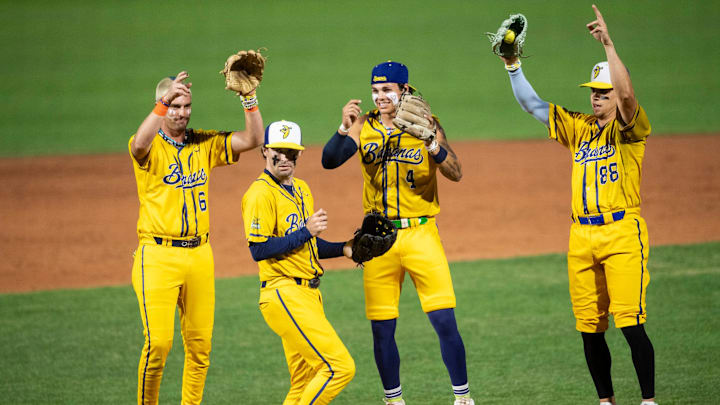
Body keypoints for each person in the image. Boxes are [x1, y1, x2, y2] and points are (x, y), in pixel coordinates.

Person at [496, 5, 656, 405]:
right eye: (594, 93)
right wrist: (512, 65)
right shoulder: (579, 128)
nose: (597, 99)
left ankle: (649, 400)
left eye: (603, 94)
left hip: (622, 233)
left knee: (631, 324)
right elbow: (534, 106)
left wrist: (609, 45)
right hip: (580, 236)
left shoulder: (630, 131)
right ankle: (606, 401)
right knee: (589, 327)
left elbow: (628, 94)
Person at [321, 62, 473, 405]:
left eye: (387, 90)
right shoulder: (364, 126)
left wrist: (432, 143)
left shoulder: (428, 124)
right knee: (381, 327)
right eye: (375, 91)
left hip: (422, 235)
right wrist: (344, 129)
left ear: (404, 89)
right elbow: (329, 161)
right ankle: (394, 400)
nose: (380, 97)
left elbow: (456, 172)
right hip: (378, 239)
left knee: (444, 320)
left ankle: (463, 397)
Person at [129, 71, 264, 404]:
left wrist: (250, 99)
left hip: (200, 255)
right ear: (161, 106)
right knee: (158, 345)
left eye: (186, 105)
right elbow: (139, 144)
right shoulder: (149, 146)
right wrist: (162, 102)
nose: (182, 112)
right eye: (175, 105)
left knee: (200, 347)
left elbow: (252, 140)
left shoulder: (202, 143)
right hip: (157, 257)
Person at [242, 120, 356, 404]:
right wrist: (306, 230)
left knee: (303, 382)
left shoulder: (302, 189)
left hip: (309, 295)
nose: (285, 158)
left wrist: (344, 249)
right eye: (278, 151)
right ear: (265, 152)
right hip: (283, 294)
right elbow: (259, 249)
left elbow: (308, 244)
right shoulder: (260, 194)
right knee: (339, 368)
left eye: (291, 152)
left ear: (299, 155)